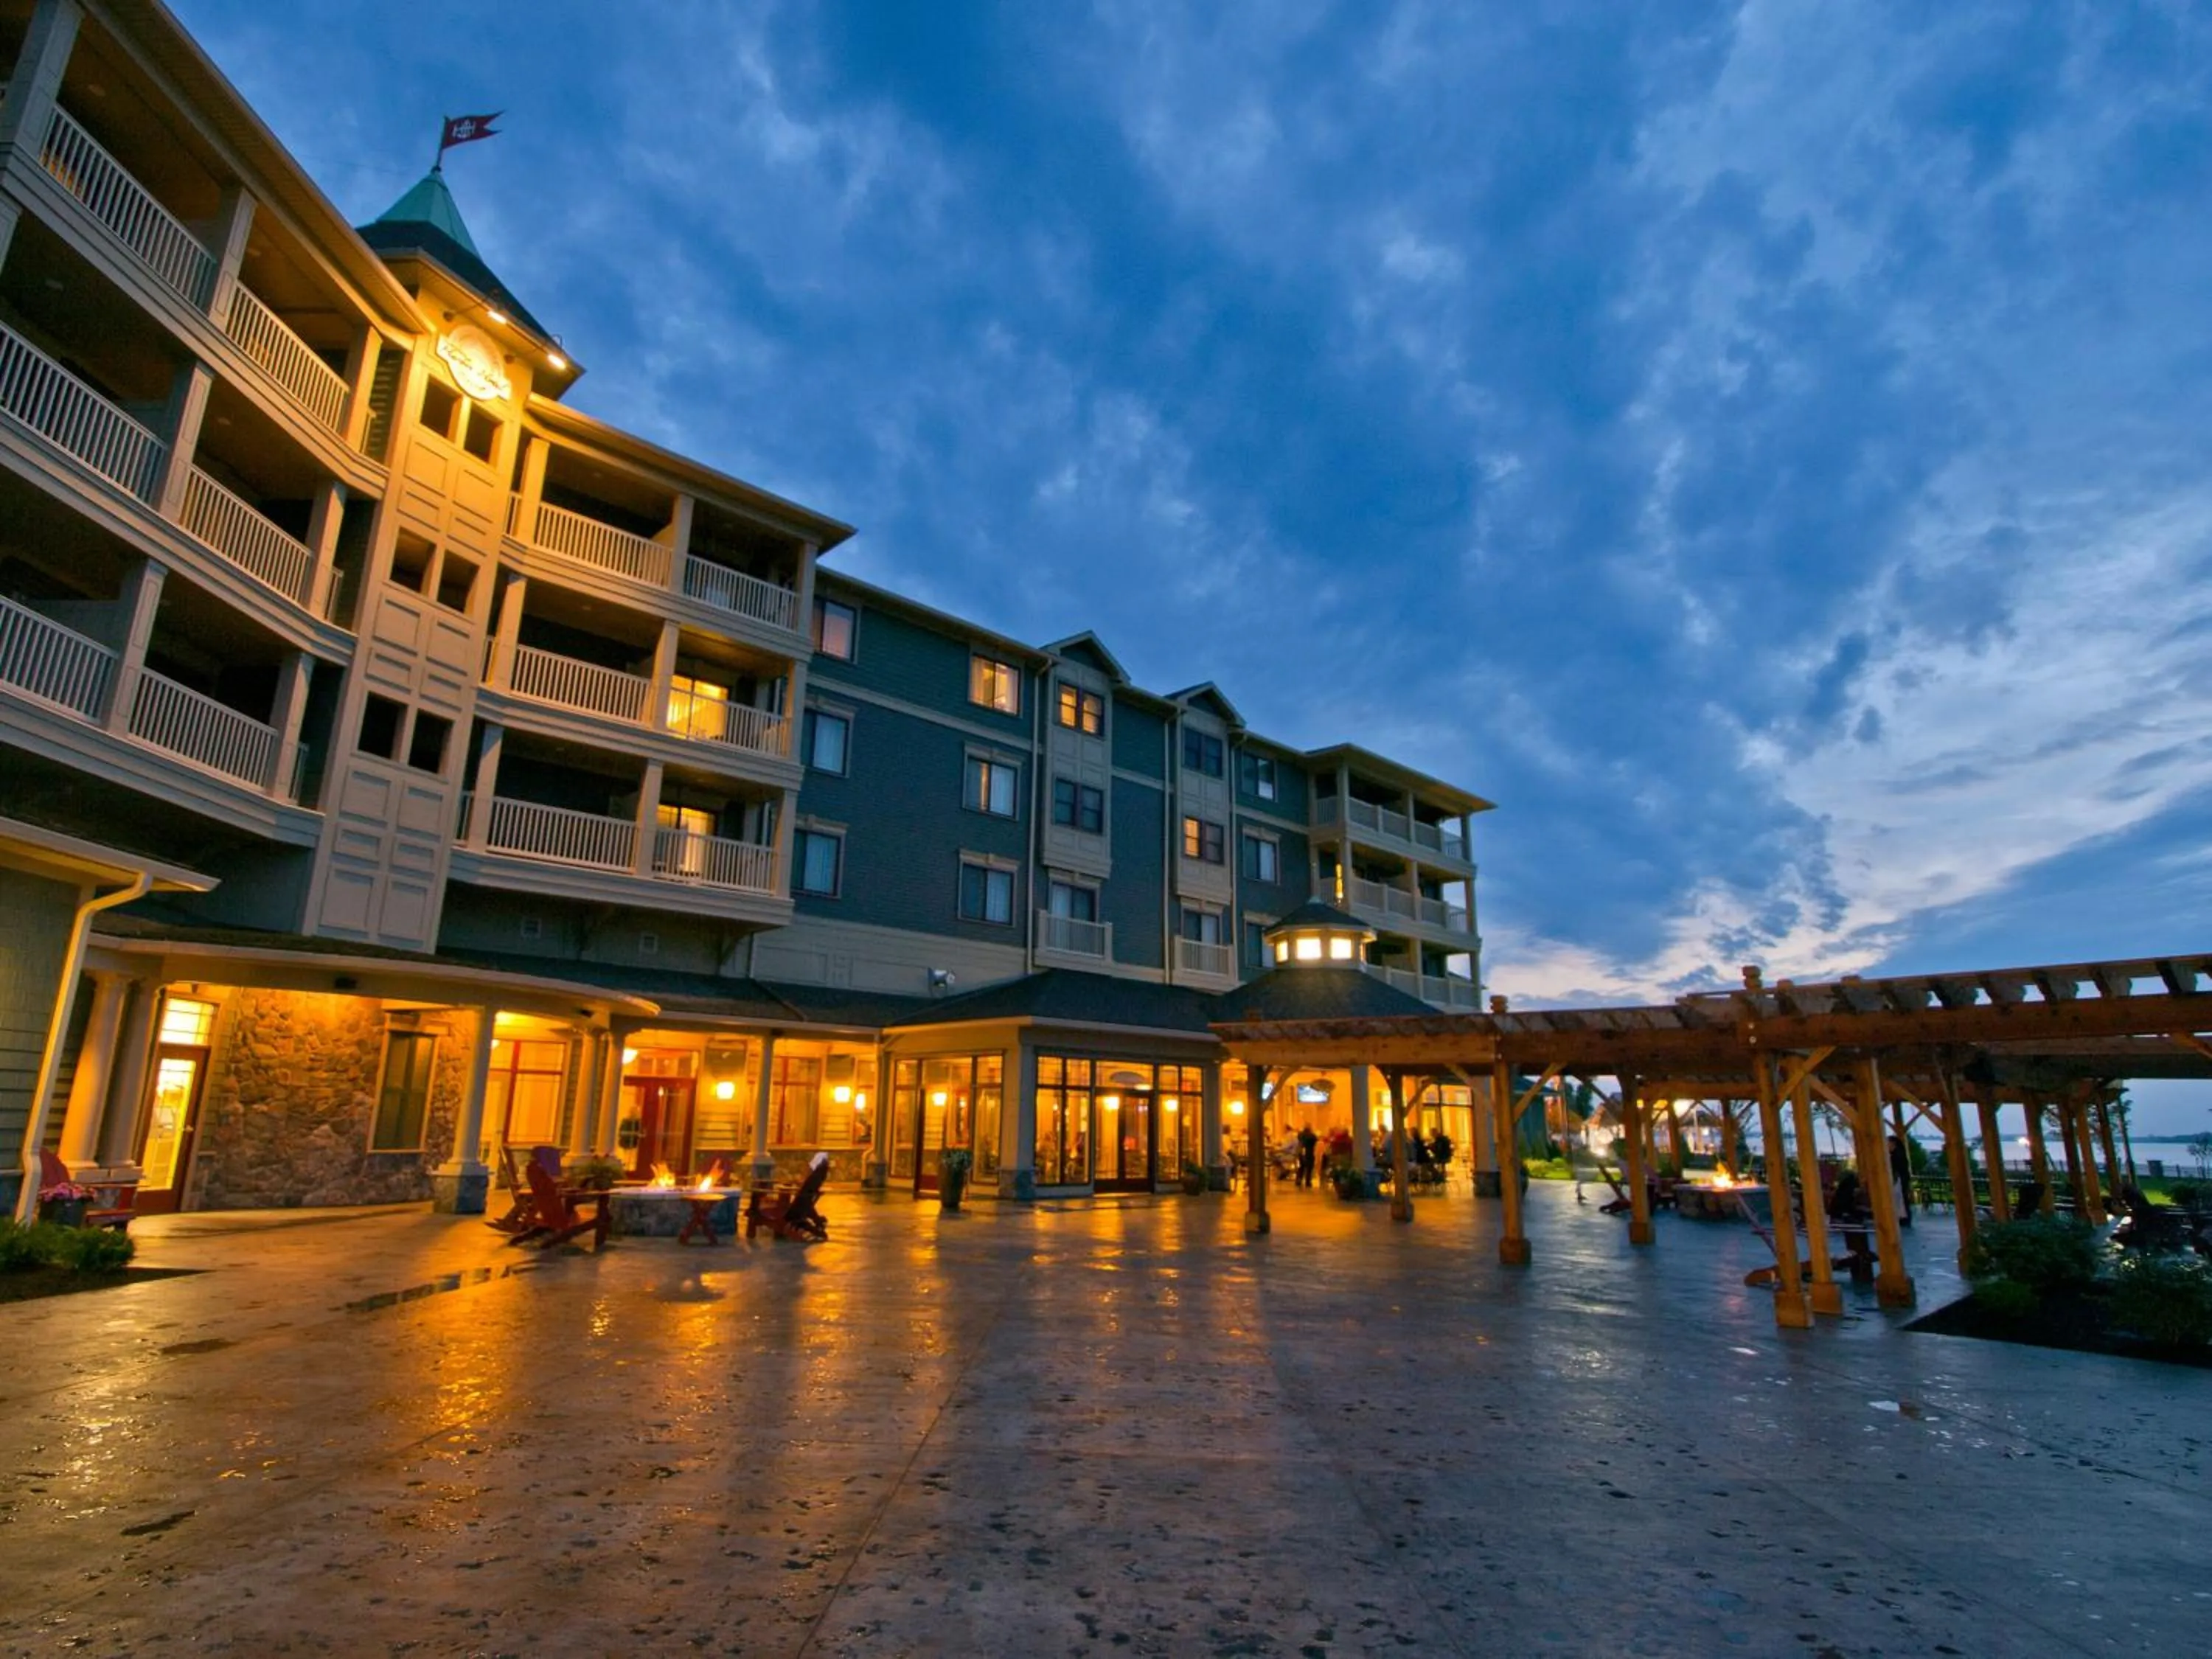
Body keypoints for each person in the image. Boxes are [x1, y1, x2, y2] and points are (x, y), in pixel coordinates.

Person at [1888, 1133, 1914, 1227]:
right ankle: (1902, 1217)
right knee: (1901, 1200)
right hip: (1900, 1179)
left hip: (1899, 1180)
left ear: (1893, 1143)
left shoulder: (1897, 1155)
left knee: (1901, 1200)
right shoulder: (1896, 1154)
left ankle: (1903, 1218)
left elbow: (1897, 1168)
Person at [1295, 1124, 1318, 1189]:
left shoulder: (1301, 1135)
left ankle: (1299, 1180)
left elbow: (1299, 1139)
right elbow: (1316, 1140)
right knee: (1309, 1168)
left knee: (1301, 1167)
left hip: (1302, 1152)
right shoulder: (1312, 1136)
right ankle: (1308, 1181)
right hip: (1310, 1152)